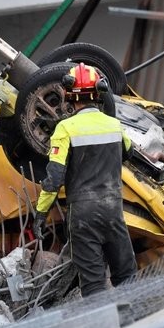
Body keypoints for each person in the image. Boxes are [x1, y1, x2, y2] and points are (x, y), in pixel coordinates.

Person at [32, 62, 137, 297]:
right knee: (126, 276)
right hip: (113, 210)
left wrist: (41, 214)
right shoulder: (114, 125)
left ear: (68, 95)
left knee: (93, 284)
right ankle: (132, 325)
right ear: (98, 92)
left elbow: (54, 178)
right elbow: (128, 152)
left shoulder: (65, 129)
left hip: (83, 215)